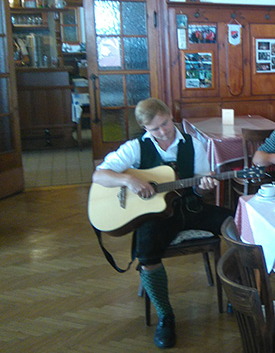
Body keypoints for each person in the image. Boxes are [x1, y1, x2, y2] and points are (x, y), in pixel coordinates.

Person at [92, 98, 232, 349]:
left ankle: (237, 291)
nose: (164, 131)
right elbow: (99, 175)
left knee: (237, 224)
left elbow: (201, 187)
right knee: (146, 252)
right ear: (145, 128)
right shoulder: (135, 147)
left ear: (171, 116)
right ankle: (165, 315)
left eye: (165, 123)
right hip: (156, 216)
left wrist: (204, 186)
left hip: (190, 209)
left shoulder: (193, 144)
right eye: (155, 128)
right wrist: (128, 181)